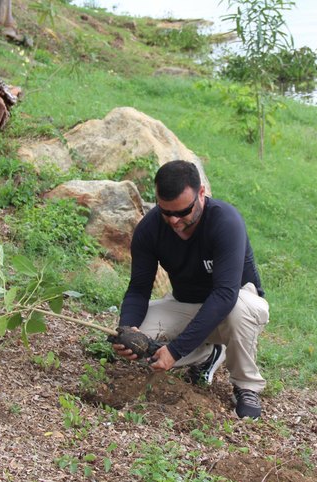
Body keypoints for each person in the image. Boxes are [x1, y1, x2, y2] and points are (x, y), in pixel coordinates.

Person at [111, 160, 269, 419]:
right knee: (137, 343)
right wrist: (127, 330)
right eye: (166, 212)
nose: (174, 220)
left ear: (202, 194)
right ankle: (206, 353)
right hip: (186, 305)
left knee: (237, 308)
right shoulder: (149, 230)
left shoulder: (226, 222)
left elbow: (225, 295)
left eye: (183, 212)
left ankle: (246, 386)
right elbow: (139, 289)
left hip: (237, 305)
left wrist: (175, 350)